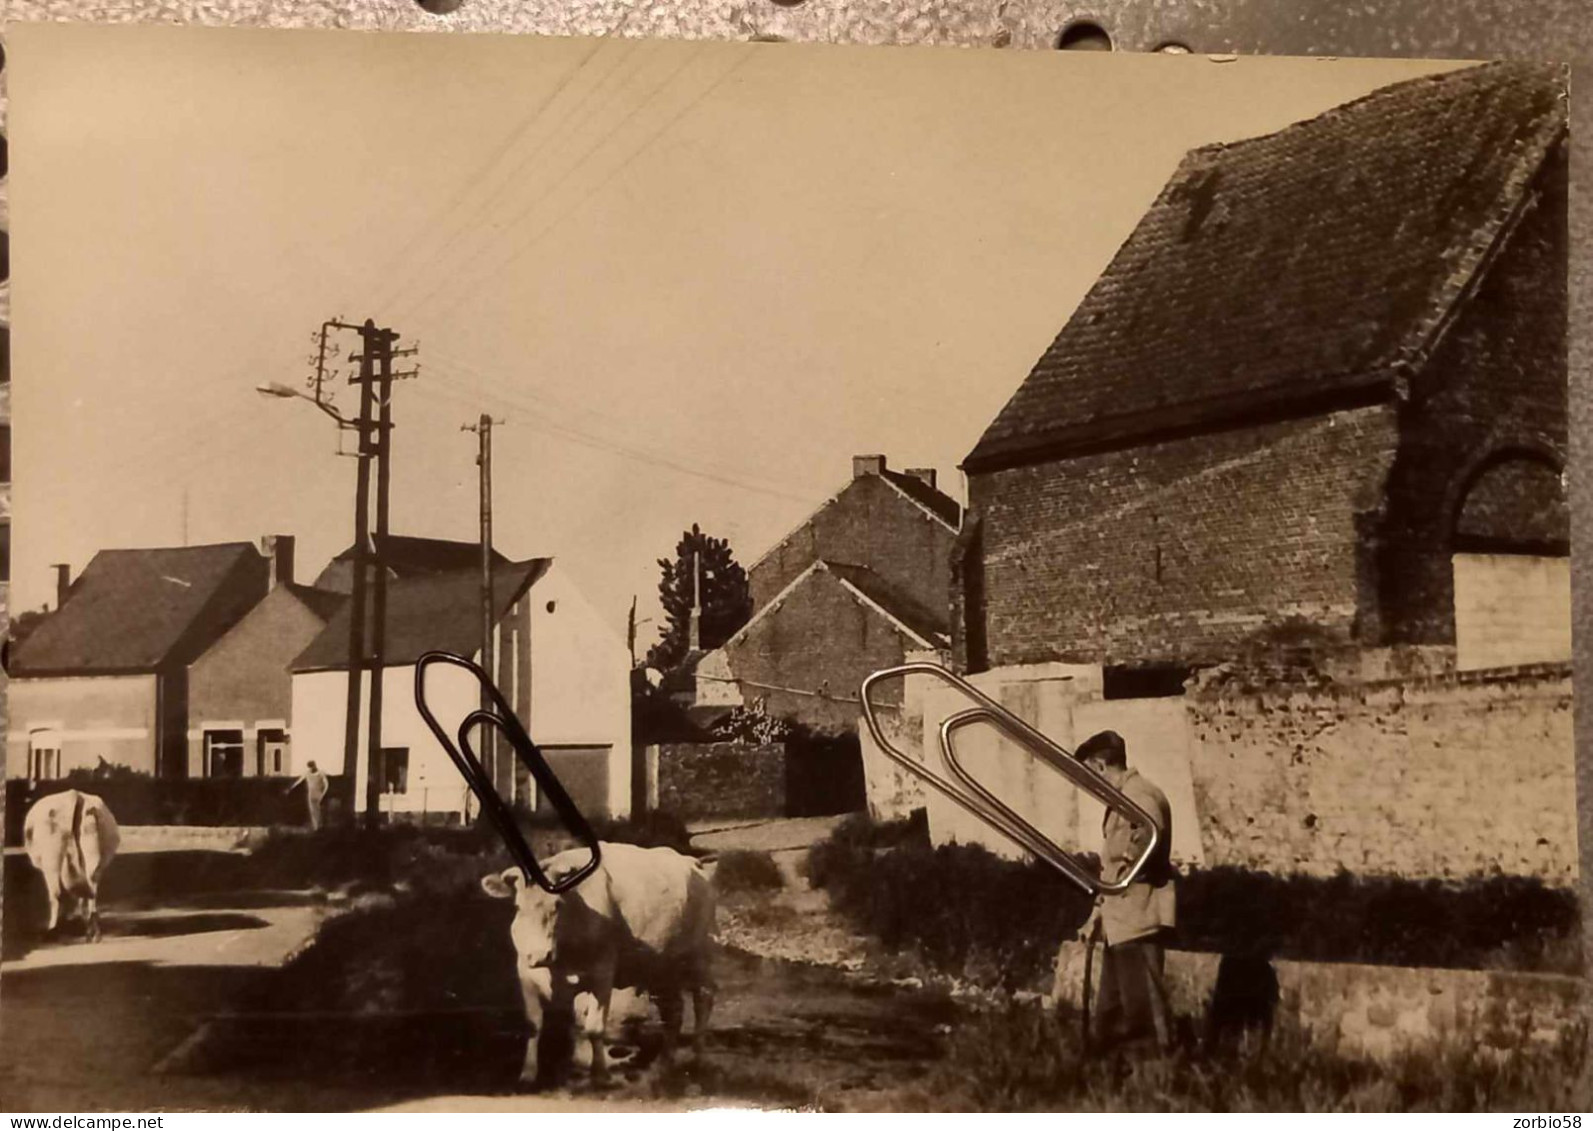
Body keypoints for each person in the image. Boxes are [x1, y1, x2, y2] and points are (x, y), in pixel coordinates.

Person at [1075, 729, 1177, 1052]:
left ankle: (1152, 1082)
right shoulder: (1122, 798)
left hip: (1138, 917)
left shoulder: (1140, 795)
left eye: (1090, 773)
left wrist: (1131, 865)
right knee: (1110, 1010)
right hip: (1119, 922)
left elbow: (1150, 834)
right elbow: (1111, 867)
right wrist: (1096, 914)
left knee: (1142, 1011)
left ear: (1100, 767)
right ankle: (1108, 1080)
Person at [286, 760, 330, 831]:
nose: (311, 768)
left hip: (319, 794)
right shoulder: (307, 773)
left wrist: (323, 794)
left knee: (319, 811)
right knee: (312, 812)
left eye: (312, 766)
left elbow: (326, 784)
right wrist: (291, 788)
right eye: (310, 767)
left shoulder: (321, 773)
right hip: (311, 795)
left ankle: (320, 827)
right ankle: (316, 828)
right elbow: (299, 781)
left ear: (315, 765)